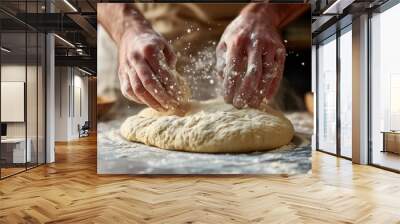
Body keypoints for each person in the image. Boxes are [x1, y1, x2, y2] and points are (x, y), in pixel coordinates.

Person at [98, 3, 308, 112]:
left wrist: (265, 12)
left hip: (245, 45)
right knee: (120, 140)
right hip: (135, 44)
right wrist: (127, 27)